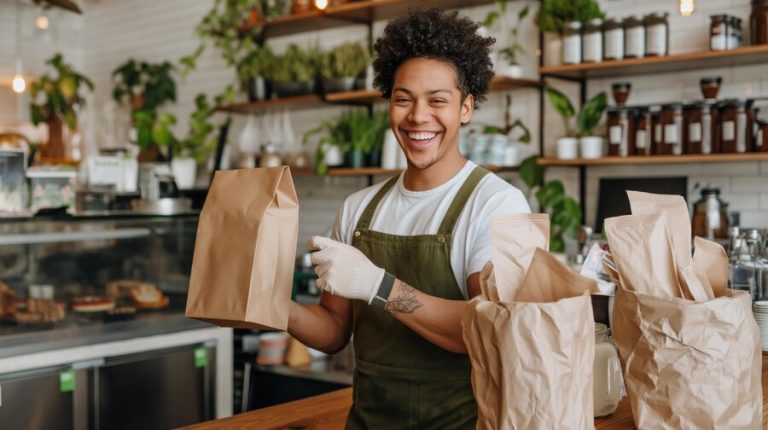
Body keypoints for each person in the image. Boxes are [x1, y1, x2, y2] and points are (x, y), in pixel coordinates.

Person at [288, 8, 530, 429]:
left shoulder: (497, 205)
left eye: (438, 100)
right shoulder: (358, 208)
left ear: (466, 108)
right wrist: (270, 307)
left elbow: (485, 329)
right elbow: (332, 331)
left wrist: (377, 286)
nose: (418, 116)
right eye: (403, 99)